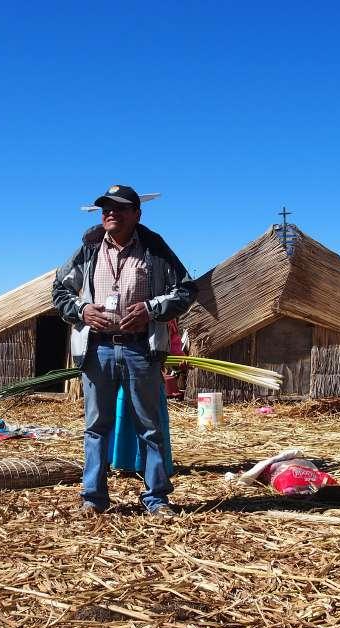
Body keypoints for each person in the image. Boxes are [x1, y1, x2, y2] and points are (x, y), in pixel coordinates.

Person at [53, 184, 197, 515]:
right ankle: (93, 498)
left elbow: (186, 290)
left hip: (140, 349)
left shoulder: (154, 250)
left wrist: (151, 309)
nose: (111, 213)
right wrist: (82, 311)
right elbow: (60, 290)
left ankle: (156, 498)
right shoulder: (89, 249)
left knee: (150, 427)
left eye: (119, 207)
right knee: (96, 427)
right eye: (106, 208)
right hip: (98, 349)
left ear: (137, 214)